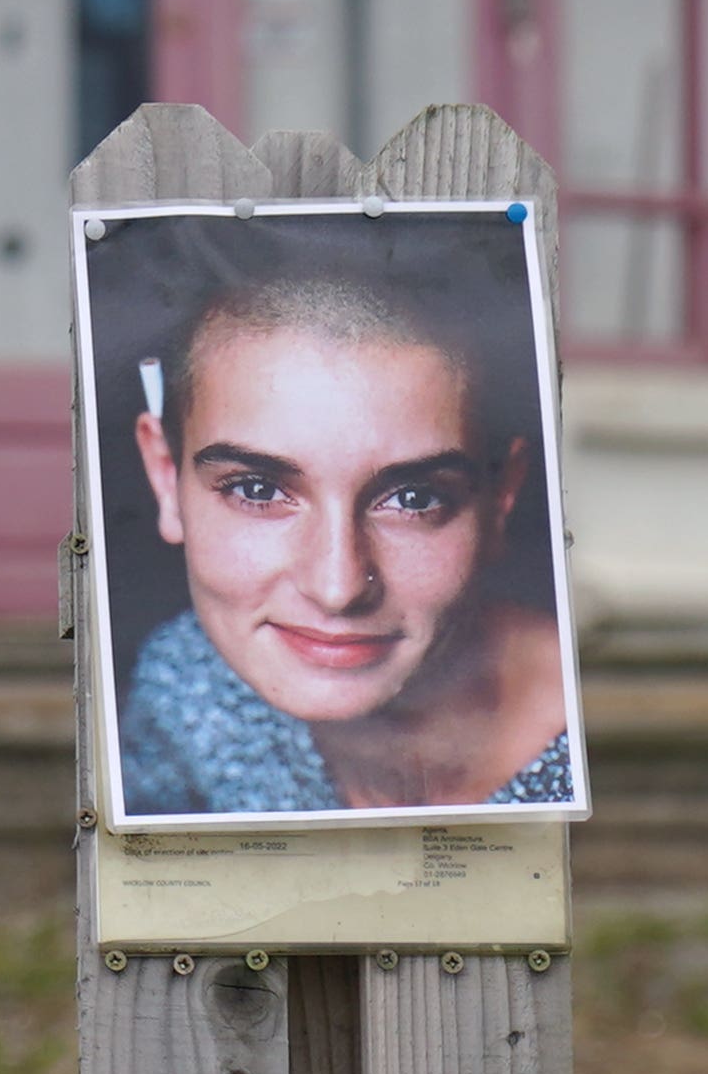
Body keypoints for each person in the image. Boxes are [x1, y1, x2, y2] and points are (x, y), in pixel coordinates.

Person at [115, 237, 573, 816]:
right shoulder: (185, 683)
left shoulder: (597, 730)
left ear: (500, 498)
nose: (338, 587)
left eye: (413, 498)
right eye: (257, 490)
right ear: (165, 480)